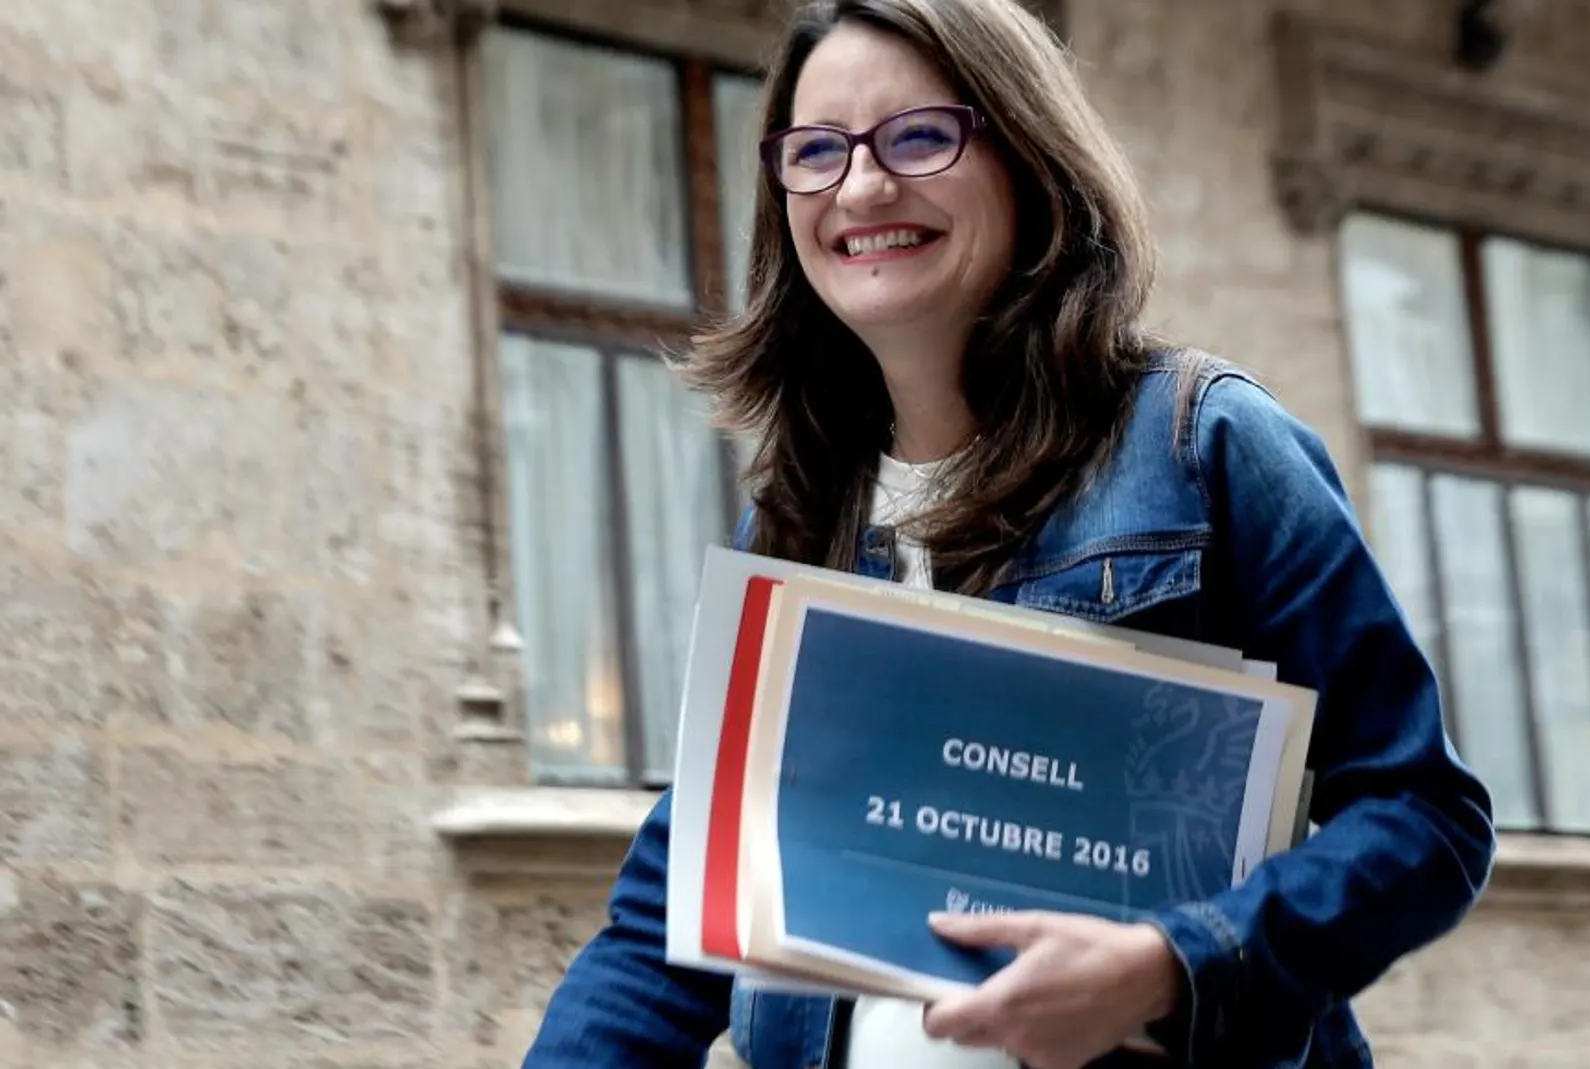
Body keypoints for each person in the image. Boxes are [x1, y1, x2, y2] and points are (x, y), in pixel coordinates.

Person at [519, 0, 1496, 1067]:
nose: (861, 186)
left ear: (1029, 163)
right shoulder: (797, 518)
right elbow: (673, 912)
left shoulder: (1205, 444)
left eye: (921, 136)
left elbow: (1420, 814)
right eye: (815, 151)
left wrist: (1169, 963)